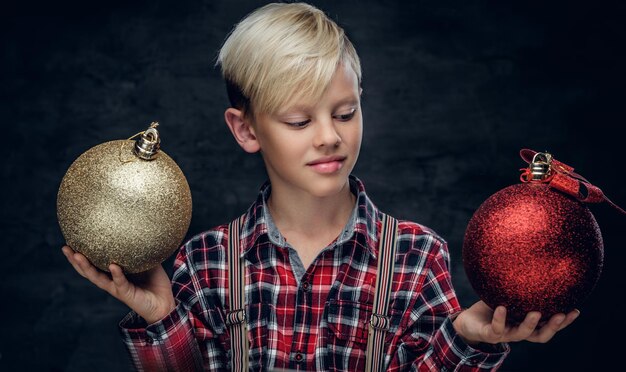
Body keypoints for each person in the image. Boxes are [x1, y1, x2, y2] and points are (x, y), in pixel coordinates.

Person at [62, 2, 580, 371]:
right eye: (297, 121)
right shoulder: (204, 263)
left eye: (345, 112)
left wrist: (468, 339)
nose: (330, 137)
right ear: (245, 130)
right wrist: (161, 318)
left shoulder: (418, 258)